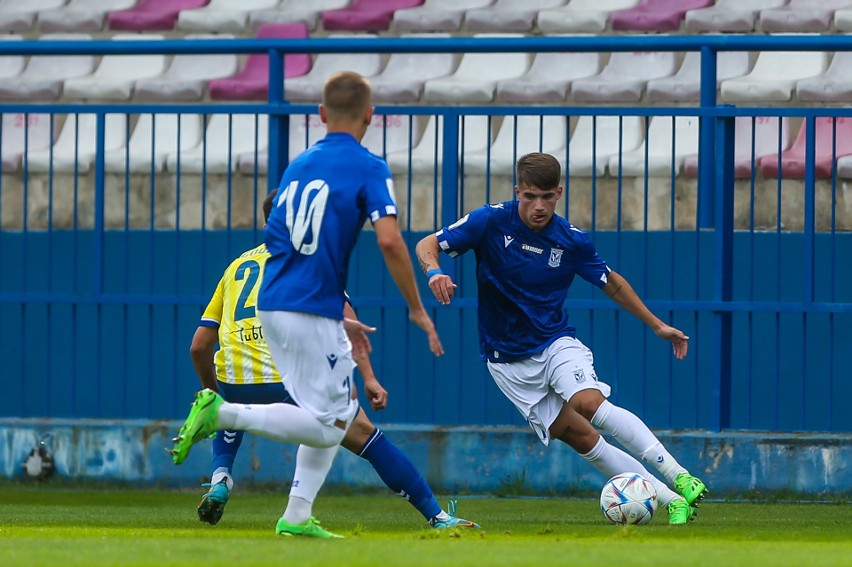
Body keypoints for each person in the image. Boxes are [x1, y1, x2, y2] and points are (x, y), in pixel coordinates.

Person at [171, 70, 443, 538]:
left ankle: (296, 516)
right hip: (308, 307)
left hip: (276, 303)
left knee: (333, 412)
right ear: (370, 115)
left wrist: (331, 313)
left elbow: (281, 246)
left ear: (320, 115)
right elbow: (392, 242)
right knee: (334, 425)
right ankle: (222, 413)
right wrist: (416, 308)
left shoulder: (297, 166)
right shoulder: (369, 166)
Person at [414, 152, 708, 525]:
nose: (538, 206)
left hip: (555, 343)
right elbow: (427, 245)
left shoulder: (571, 240)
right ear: (517, 191)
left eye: (547, 197)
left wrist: (656, 324)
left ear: (559, 193)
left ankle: (678, 474)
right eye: (530, 197)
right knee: (581, 437)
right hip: (506, 360)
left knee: (588, 402)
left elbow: (612, 283)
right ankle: (671, 502)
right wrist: (434, 273)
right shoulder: (488, 221)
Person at [188, 189, 478, 531]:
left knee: (236, 403)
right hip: (287, 380)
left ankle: (221, 475)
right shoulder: (310, 261)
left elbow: (199, 345)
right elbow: (348, 326)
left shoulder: (236, 266)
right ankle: (437, 516)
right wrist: (368, 378)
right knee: (363, 434)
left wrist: (213, 390)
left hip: (236, 378)